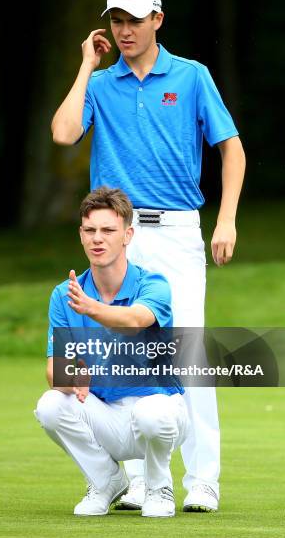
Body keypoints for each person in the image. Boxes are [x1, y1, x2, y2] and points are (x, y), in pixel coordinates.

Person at [50, 0, 246, 512]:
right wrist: (87, 65)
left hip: (179, 230)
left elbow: (231, 149)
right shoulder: (100, 84)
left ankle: (203, 480)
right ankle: (138, 478)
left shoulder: (190, 76)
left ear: (157, 19)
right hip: (117, 235)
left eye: (135, 20)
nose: (125, 29)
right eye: (117, 19)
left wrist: (225, 219)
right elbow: (65, 133)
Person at [35, 187, 189, 517]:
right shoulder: (64, 296)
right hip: (106, 416)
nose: (97, 239)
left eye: (108, 230)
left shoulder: (153, 283)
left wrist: (91, 309)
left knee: (153, 414)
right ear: (80, 234)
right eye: (90, 230)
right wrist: (71, 378)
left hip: (161, 411)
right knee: (49, 406)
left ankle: (158, 485)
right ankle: (106, 481)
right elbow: (53, 370)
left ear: (127, 235)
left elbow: (135, 320)